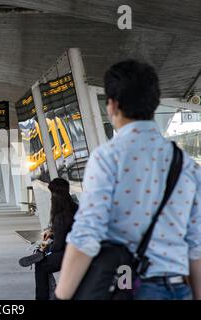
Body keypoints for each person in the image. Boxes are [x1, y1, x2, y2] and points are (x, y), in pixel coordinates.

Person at [54, 60, 201, 300]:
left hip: (130, 288)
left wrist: (61, 297)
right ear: (154, 105)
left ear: (113, 105)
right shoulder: (185, 163)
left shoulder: (107, 158)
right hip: (177, 288)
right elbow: (196, 245)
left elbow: (87, 236)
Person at [19, 178, 78, 300]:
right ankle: (42, 255)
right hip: (78, 250)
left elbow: (58, 246)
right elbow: (67, 231)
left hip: (67, 254)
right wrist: (52, 232)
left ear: (56, 196)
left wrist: (46, 247)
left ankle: (42, 297)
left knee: (41, 267)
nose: (51, 198)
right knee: (44, 259)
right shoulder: (75, 208)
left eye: (51, 194)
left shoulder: (60, 216)